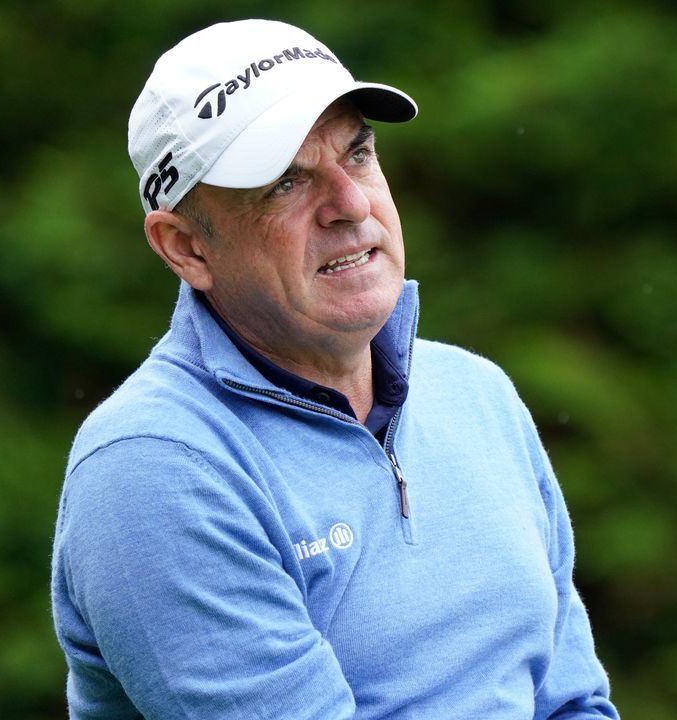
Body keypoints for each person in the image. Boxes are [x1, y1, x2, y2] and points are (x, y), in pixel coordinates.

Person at [50, 18, 619, 719]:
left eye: (358, 154)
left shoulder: (478, 395)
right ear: (186, 248)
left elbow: (573, 702)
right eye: (287, 182)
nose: (351, 205)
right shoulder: (154, 469)